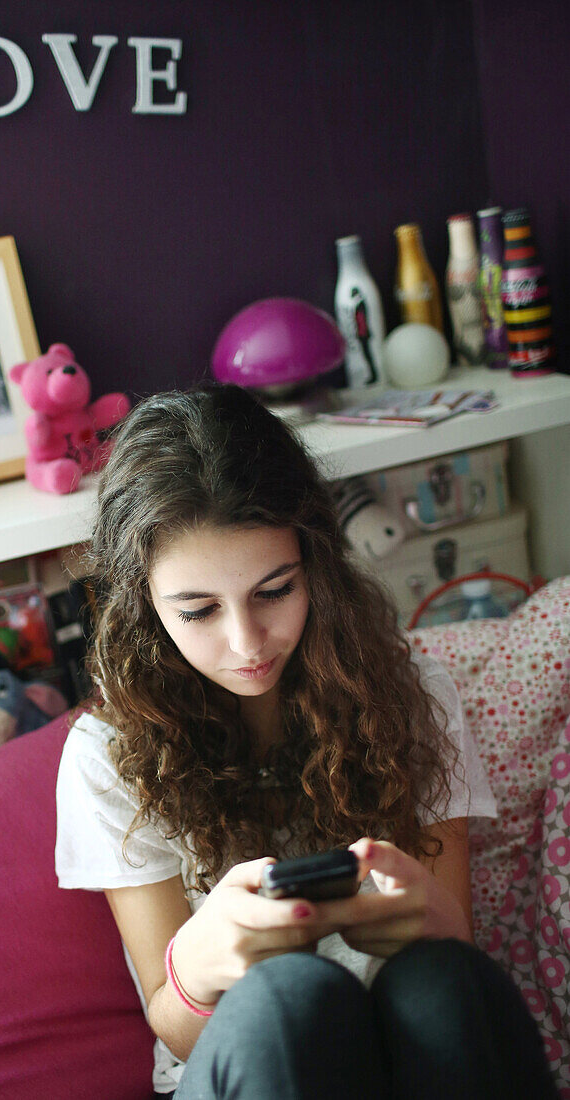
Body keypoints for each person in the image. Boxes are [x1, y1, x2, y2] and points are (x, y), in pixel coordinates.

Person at [56, 385, 557, 1098]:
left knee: (441, 981)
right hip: (242, 1060)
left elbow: (455, 950)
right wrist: (198, 971)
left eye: (273, 590)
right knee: (291, 997)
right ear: (142, 601)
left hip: (401, 1050)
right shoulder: (107, 754)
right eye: (197, 610)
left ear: (314, 565)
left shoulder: (408, 694)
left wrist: (423, 918)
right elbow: (174, 1031)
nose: (245, 643)